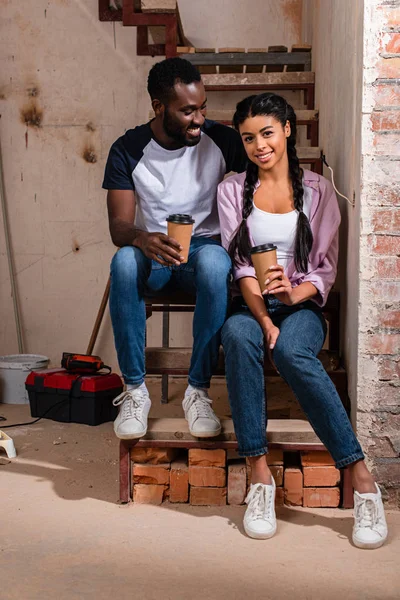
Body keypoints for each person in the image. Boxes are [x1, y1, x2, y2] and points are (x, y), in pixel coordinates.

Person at [217, 92, 388, 549]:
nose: (259, 145)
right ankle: (259, 477)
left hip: (302, 306)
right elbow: (241, 267)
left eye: (267, 133)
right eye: (249, 138)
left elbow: (324, 270)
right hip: (250, 305)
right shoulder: (233, 189)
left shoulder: (318, 191)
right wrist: (263, 318)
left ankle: (361, 477)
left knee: (294, 350)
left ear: (288, 130)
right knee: (237, 336)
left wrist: (293, 293)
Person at [102, 57, 247, 441]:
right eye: (187, 111)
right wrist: (141, 238)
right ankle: (134, 390)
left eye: (202, 107)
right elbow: (119, 226)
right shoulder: (128, 149)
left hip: (202, 251)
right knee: (123, 263)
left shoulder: (222, 140)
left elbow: (268, 170)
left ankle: (197, 391)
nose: (199, 118)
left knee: (218, 264)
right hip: (154, 253)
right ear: (159, 108)